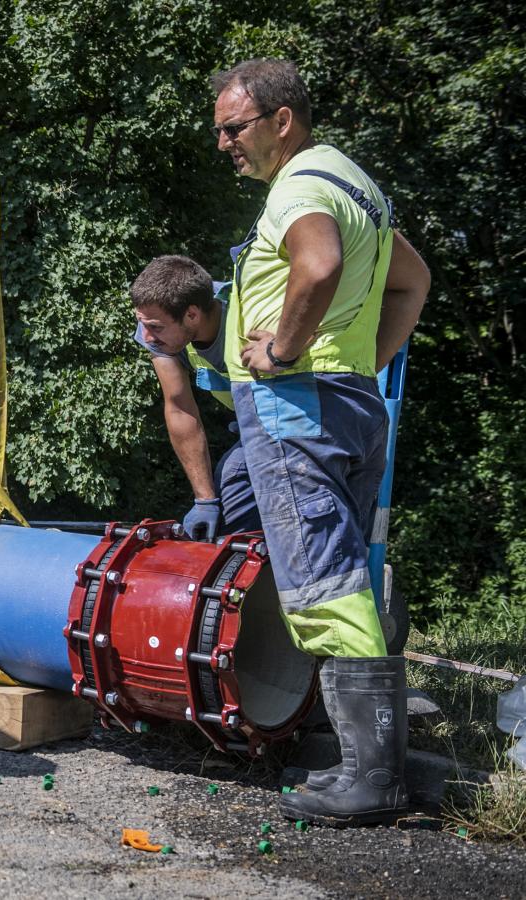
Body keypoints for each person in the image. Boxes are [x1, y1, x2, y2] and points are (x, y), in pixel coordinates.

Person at [208, 59, 429, 825]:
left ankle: (370, 777)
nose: (225, 144)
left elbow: (320, 265)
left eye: (233, 129)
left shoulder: (300, 186)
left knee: (323, 582)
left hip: (296, 404)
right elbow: (413, 281)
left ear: (281, 121)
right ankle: (367, 766)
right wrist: (363, 365)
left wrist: (284, 352)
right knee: (343, 575)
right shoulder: (353, 181)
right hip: (350, 403)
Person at [130, 256, 260, 541]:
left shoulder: (250, 312)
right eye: (143, 324)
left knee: (237, 481)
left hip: (306, 422)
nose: (147, 337)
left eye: (156, 327)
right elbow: (179, 409)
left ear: (192, 314)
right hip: (253, 431)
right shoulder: (161, 333)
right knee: (224, 505)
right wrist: (204, 501)